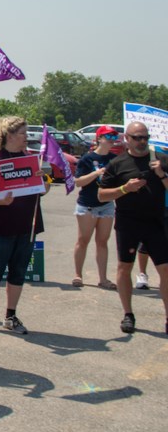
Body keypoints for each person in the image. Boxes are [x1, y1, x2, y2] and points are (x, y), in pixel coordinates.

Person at [0, 116, 47, 336]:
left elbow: (41, 190)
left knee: (18, 272)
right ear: (9, 135)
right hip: (0, 226)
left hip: (27, 224)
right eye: (24, 133)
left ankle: (10, 315)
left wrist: (42, 181)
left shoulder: (31, 160)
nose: (28, 137)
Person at [97, 121, 168, 335]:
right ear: (127, 138)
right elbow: (101, 196)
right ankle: (128, 314)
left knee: (165, 270)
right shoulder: (117, 164)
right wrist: (124, 188)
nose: (142, 141)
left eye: (145, 136)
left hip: (156, 221)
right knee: (124, 267)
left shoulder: (161, 160)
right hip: (128, 222)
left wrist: (162, 176)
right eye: (137, 137)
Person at [71, 126, 119, 289]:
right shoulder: (87, 158)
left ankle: (103, 278)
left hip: (106, 205)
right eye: (108, 137)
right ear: (99, 138)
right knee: (83, 240)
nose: (112, 141)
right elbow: (77, 182)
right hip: (87, 204)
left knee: (102, 242)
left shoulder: (115, 158)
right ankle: (78, 274)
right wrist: (96, 174)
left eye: (114, 137)